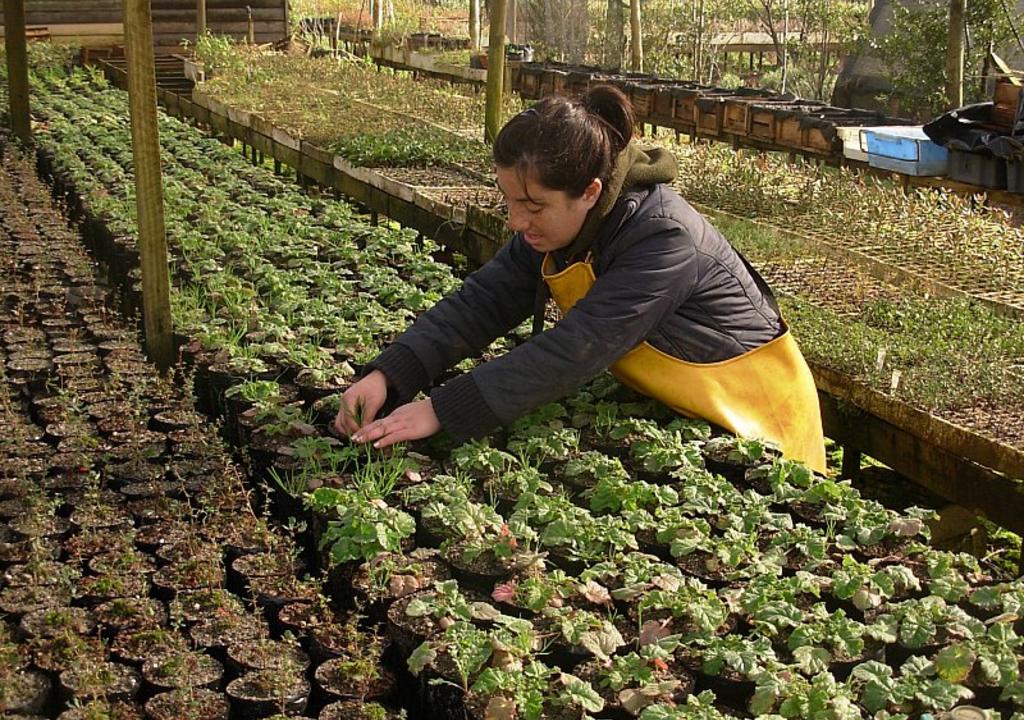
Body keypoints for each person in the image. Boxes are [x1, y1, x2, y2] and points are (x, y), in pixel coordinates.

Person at [334, 85, 826, 473]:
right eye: (509, 202)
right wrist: (392, 373)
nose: (515, 221)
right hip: (674, 400)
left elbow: (579, 346)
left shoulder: (664, 237)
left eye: (531, 206)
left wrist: (441, 410)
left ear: (590, 192)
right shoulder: (562, 224)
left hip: (757, 423)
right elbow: (486, 298)